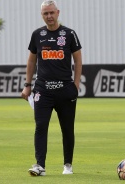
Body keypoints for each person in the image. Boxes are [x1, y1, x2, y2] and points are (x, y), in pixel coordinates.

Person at [21, 0, 82, 176]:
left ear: (58, 12)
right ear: (42, 15)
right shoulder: (37, 35)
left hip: (65, 90)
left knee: (67, 128)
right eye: (45, 13)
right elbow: (32, 60)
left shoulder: (69, 34)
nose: (49, 16)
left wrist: (76, 85)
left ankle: (68, 165)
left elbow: (78, 60)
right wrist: (27, 85)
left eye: (51, 13)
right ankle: (40, 166)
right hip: (43, 90)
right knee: (41, 126)